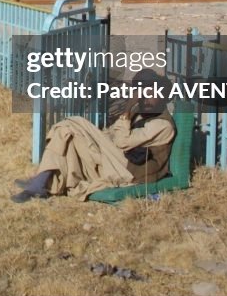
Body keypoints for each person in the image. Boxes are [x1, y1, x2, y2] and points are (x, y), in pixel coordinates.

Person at [11, 69, 176, 203]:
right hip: (117, 160)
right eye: (142, 94)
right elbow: (112, 132)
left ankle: (41, 182)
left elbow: (122, 141)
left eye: (151, 94)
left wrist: (126, 109)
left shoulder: (162, 125)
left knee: (73, 123)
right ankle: (42, 182)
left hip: (130, 171)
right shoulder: (142, 112)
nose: (146, 99)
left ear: (162, 96)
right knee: (68, 135)